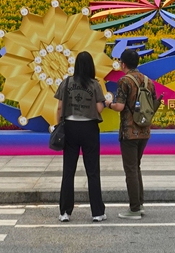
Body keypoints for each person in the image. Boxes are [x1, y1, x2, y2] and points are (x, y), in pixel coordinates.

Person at [54, 51, 106, 222]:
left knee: (68, 171)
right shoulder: (94, 85)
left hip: (69, 127)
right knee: (92, 171)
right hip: (89, 128)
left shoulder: (66, 82)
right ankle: (97, 212)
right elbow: (99, 109)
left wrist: (58, 125)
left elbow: (60, 108)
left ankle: (65, 212)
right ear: (91, 66)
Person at [107, 48, 151, 219]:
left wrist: (108, 103)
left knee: (131, 169)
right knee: (136, 167)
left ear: (123, 64)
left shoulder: (124, 81)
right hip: (144, 130)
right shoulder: (147, 81)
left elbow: (119, 106)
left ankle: (134, 209)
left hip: (129, 132)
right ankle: (139, 204)